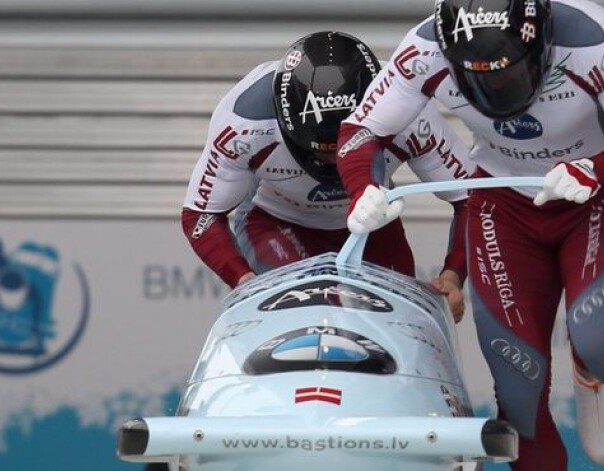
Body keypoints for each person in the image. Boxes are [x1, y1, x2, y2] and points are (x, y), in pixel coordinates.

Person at [335, 0, 604, 469]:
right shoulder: (423, 49)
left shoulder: (591, 40)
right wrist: (364, 189)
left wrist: (595, 168)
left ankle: (591, 365)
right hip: (504, 205)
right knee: (519, 390)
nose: (495, 87)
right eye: (477, 76)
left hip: (592, 199)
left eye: (507, 72)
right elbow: (361, 130)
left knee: (595, 332)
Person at [181, 31, 476, 320]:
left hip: (369, 224)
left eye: (346, 146)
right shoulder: (244, 122)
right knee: (299, 318)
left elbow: (472, 196)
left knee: (390, 321)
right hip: (275, 220)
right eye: (322, 149)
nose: (335, 161)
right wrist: (243, 280)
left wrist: (452, 275)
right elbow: (201, 215)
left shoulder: (406, 109)